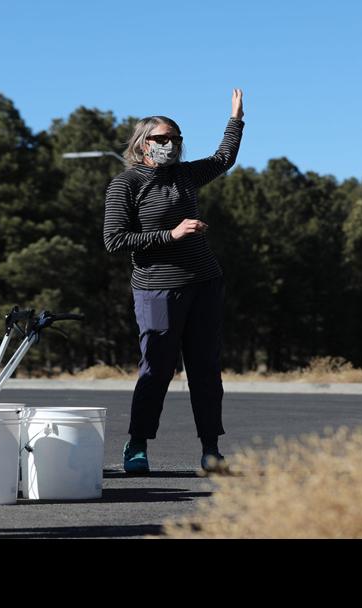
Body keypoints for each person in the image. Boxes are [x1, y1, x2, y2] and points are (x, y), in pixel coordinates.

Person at [101, 90, 245, 475]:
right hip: (157, 288)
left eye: (176, 139)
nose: (170, 145)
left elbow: (223, 159)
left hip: (205, 283)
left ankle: (211, 449)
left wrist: (236, 120)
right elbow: (114, 240)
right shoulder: (126, 184)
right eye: (162, 139)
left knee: (205, 369)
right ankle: (136, 445)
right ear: (142, 143)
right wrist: (172, 234)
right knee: (157, 370)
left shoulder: (185, 175)